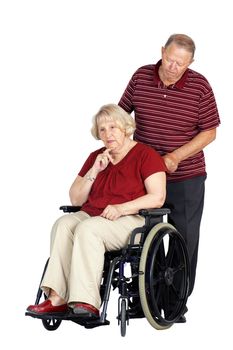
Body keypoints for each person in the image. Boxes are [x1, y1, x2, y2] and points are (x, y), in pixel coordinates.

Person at [26, 103, 167, 319]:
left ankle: (86, 302)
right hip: (94, 215)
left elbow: (157, 197)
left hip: (131, 219)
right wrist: (95, 170)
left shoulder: (146, 155)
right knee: (63, 224)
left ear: (126, 128)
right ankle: (57, 298)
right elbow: (75, 198)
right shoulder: (96, 157)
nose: (108, 134)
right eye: (102, 129)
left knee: (88, 229)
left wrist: (121, 208)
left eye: (113, 127)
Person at [118, 34, 221, 313]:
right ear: (162, 52)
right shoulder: (141, 76)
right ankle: (144, 299)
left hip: (186, 175)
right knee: (141, 235)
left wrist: (176, 156)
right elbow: (121, 116)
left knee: (183, 238)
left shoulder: (199, 86)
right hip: (144, 175)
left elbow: (210, 131)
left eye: (181, 63)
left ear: (191, 63)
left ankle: (175, 303)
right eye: (170, 59)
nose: (174, 67)